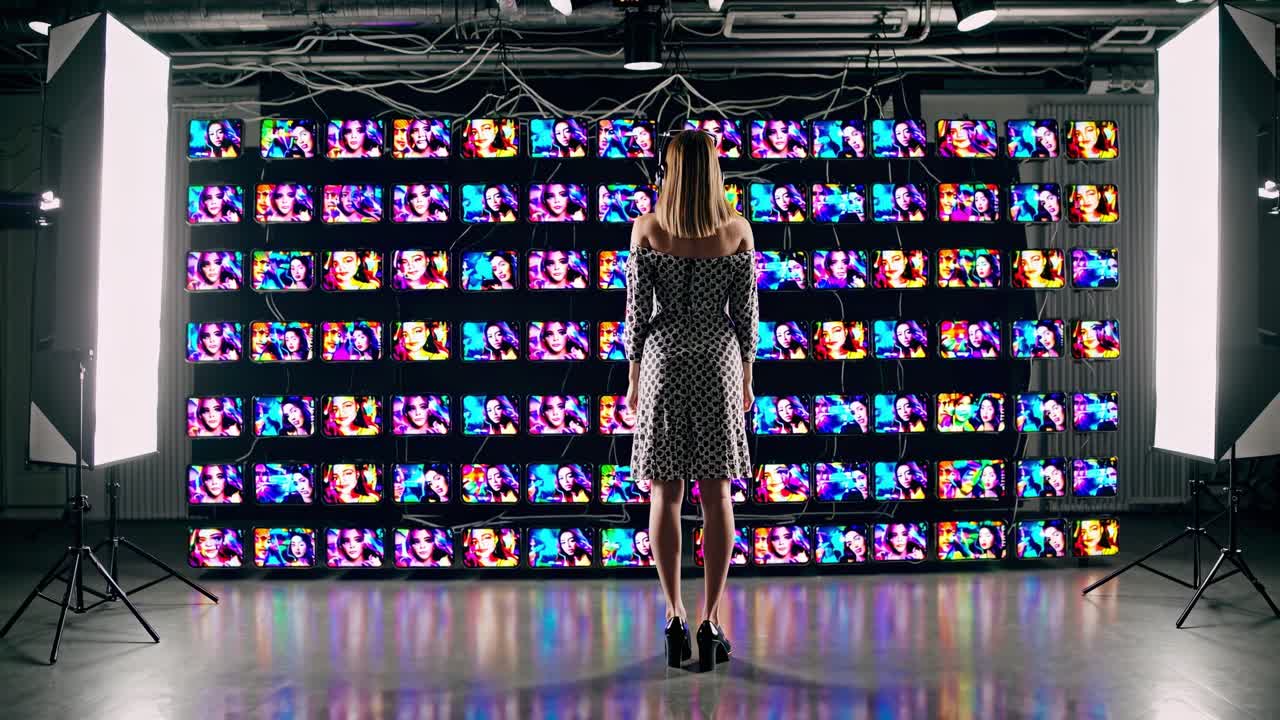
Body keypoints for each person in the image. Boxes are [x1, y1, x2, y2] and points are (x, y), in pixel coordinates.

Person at [624, 129, 756, 671]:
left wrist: (634, 376)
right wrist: (746, 375)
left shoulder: (648, 228)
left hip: (663, 358)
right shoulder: (737, 230)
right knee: (717, 493)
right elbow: (745, 315)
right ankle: (710, 620)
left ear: (671, 171)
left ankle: (674, 614)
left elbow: (637, 313)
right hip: (718, 358)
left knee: (665, 492)